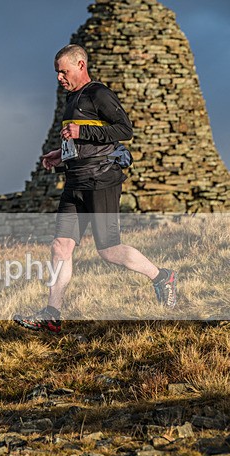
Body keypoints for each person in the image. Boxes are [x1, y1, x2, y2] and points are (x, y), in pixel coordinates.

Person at [14, 44, 177, 333]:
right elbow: (82, 143)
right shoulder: (71, 98)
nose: (59, 78)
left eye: (63, 72)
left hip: (102, 180)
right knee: (60, 246)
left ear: (80, 65)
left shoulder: (98, 93)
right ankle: (52, 314)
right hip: (75, 181)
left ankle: (162, 277)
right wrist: (60, 154)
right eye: (57, 73)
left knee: (109, 250)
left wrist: (81, 131)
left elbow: (124, 130)